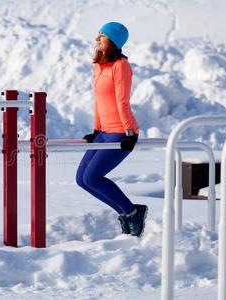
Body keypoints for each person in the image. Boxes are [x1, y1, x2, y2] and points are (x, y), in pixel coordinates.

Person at [76, 22, 148, 237]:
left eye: (102, 36)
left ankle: (132, 212)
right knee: (82, 179)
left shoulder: (121, 66)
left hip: (120, 132)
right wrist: (96, 129)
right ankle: (128, 214)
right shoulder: (99, 66)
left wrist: (129, 132)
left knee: (92, 178)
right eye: (97, 35)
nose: (97, 39)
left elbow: (122, 101)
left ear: (113, 41)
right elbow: (99, 101)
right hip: (104, 132)